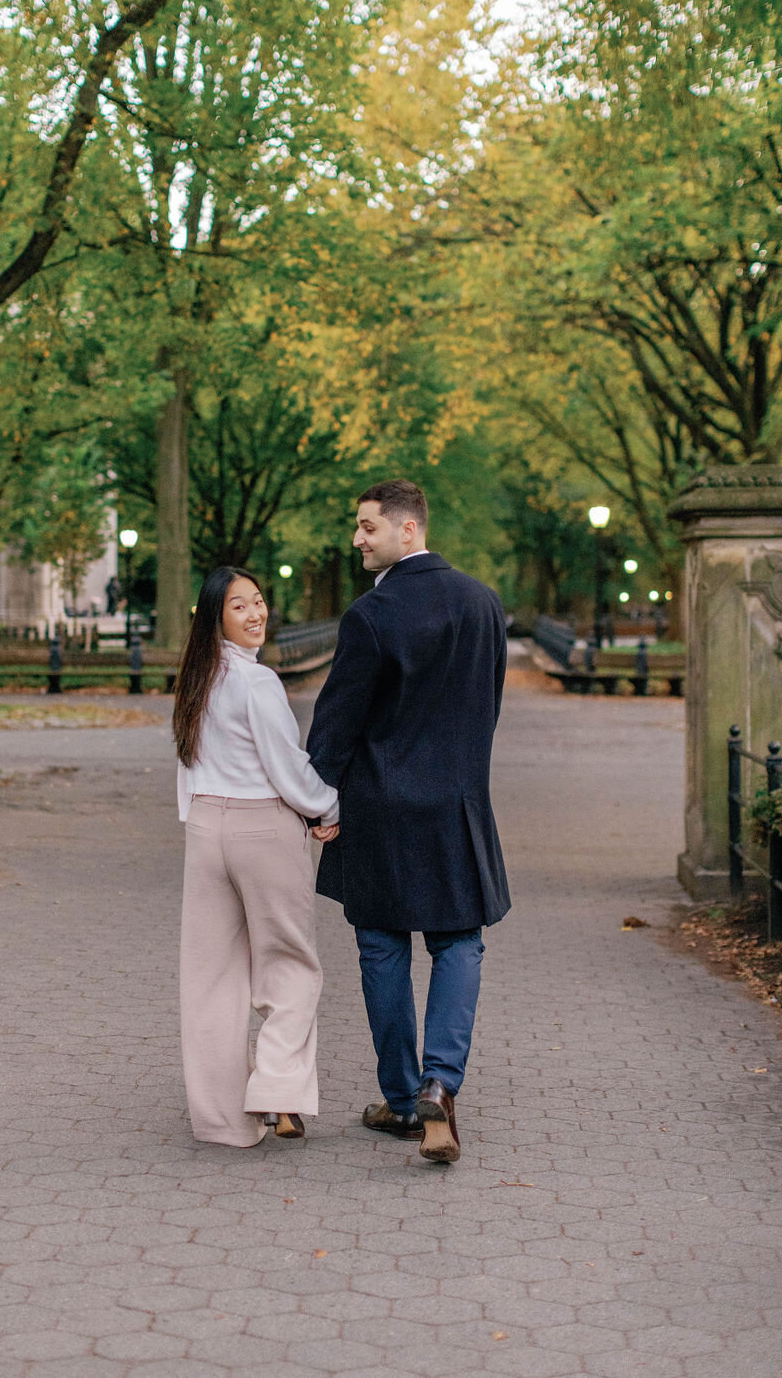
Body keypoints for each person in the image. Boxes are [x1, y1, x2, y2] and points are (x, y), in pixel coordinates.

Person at [307, 479, 509, 1164]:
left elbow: (336, 724)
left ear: (408, 530)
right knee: (459, 943)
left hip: (382, 808)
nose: (357, 538)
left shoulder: (373, 613)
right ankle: (439, 1084)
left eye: (367, 526)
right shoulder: (484, 603)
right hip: (456, 803)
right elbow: (489, 705)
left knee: (383, 946)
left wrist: (314, 799)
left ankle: (400, 1097)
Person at [173, 566, 339, 1148]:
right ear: (216, 617)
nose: (256, 613)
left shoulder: (196, 678)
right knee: (289, 965)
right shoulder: (255, 681)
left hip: (205, 828)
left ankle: (221, 1121)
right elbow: (285, 763)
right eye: (239, 606)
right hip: (262, 826)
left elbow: (188, 764)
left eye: (260, 601)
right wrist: (325, 806)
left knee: (212, 978)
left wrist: (197, 820)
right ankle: (276, 1089)